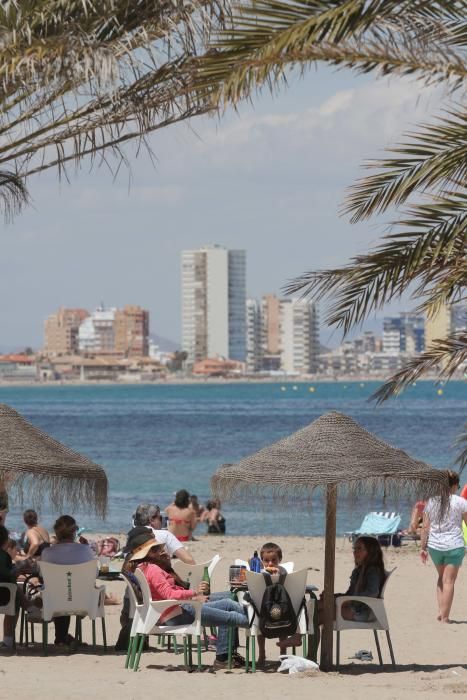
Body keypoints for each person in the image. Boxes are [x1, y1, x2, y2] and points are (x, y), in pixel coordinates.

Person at [128, 529, 249, 668]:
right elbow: (170, 594)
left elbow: (169, 592)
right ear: (149, 553)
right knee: (231, 610)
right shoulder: (153, 570)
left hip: (174, 610)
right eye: (156, 549)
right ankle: (258, 623)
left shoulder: (142, 568)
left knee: (229, 602)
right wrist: (194, 593)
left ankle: (246, 631)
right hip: (176, 614)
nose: (160, 551)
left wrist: (194, 596)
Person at [41, 515, 95, 648]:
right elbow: (95, 573)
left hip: (55, 601)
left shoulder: (47, 552)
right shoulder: (85, 550)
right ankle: (63, 638)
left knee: (60, 591)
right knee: (67, 591)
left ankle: (61, 638)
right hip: (83, 600)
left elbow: (43, 576)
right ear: (74, 532)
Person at [420, 470, 467, 623]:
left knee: (441, 578)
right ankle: (445, 617)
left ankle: (441, 612)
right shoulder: (461, 502)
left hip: (435, 546)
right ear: (454, 485)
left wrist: (422, 547)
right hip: (454, 545)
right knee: (449, 581)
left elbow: (425, 527)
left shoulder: (431, 502)